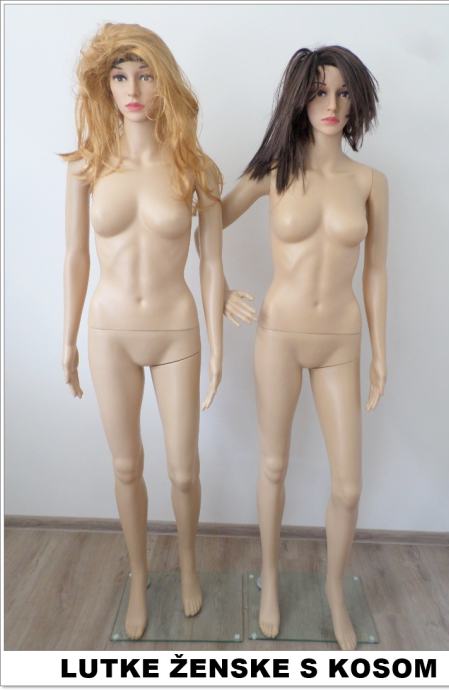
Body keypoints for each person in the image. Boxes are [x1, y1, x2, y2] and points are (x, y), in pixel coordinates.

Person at [207, 46, 388, 650]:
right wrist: (220, 289)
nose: (331, 104)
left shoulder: (369, 183)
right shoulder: (275, 172)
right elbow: (208, 223)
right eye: (318, 92)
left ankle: (335, 589)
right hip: (280, 334)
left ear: (357, 99)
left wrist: (381, 351)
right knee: (273, 465)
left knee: (348, 486)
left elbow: (376, 272)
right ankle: (271, 578)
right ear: (299, 99)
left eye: (342, 92)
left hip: (341, 339)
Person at [61, 23, 224, 640]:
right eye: (120, 76)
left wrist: (217, 348)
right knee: (127, 466)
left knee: (183, 471)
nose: (132, 89)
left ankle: (188, 565)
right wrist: (68, 339)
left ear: (164, 83)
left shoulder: (195, 168)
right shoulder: (87, 166)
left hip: (176, 328)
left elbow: (212, 264)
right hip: (110, 333)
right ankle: (137, 575)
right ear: (104, 86)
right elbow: (76, 257)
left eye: (146, 75)